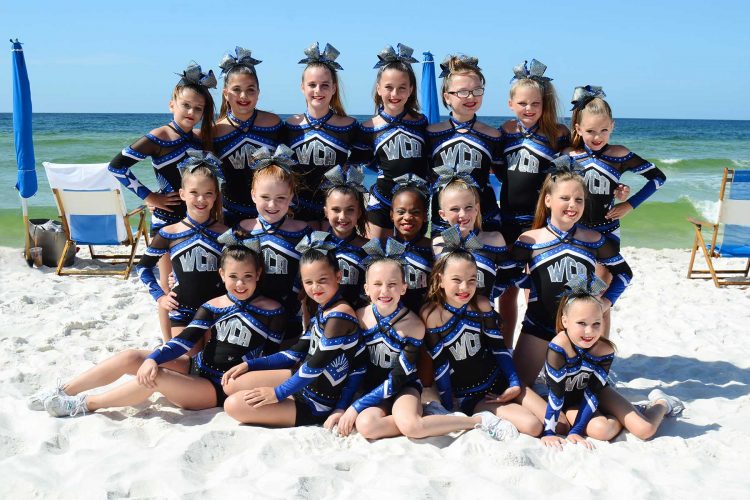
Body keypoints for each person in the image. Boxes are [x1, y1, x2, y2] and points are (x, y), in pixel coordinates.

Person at [34, 245, 285, 417]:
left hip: (218, 387)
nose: (240, 283)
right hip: (196, 366)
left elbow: (270, 358)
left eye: (247, 276)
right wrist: (153, 358)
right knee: (132, 357)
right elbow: (184, 342)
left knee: (158, 377)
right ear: (222, 274)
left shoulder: (273, 311)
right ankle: (63, 390)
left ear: (258, 275)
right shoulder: (213, 305)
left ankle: (85, 404)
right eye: (233, 276)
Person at [333, 255, 517, 440]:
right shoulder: (359, 317)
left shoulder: (414, 325)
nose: (385, 291)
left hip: (404, 387)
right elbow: (357, 367)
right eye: (377, 284)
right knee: (367, 426)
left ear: (404, 287)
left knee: (413, 428)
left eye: (392, 284)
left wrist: (355, 407)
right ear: (366, 288)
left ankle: (476, 421)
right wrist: (343, 407)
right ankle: (425, 420)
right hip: (374, 390)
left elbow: (398, 378)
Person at [108, 63, 216, 341]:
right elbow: (118, 166)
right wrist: (149, 196)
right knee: (169, 288)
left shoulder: (198, 140)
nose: (191, 113)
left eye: (198, 109)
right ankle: (168, 343)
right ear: (172, 104)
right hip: (168, 222)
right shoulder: (160, 136)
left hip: (196, 220)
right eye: (186, 105)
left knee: (191, 283)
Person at [510, 158, 633, 387]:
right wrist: (532, 285)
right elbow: (509, 275)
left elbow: (624, 274)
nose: (572, 205)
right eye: (564, 198)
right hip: (538, 326)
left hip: (579, 332)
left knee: (580, 398)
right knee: (517, 388)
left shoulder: (594, 239)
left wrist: (605, 302)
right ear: (548, 200)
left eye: (579, 199)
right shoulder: (529, 240)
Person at [221, 239, 364, 428]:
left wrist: (277, 393)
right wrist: (250, 365)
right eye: (308, 282)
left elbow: (316, 364)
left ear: (338, 276)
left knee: (233, 405)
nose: (315, 287)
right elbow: (294, 353)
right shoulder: (324, 309)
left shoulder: (340, 315)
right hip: (302, 382)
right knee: (232, 383)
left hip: (317, 403)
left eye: (322, 280)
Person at [567, 86, 666, 336]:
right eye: (590, 131)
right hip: (576, 234)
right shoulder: (569, 157)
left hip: (606, 235)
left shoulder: (619, 155)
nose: (597, 136)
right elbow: (552, 191)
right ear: (578, 129)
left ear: (612, 126)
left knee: (599, 296)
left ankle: (600, 353)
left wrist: (629, 204)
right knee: (572, 296)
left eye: (603, 130)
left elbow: (658, 178)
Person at [541, 275, 684, 448]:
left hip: (598, 392)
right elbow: (556, 395)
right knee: (602, 430)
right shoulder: (558, 348)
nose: (589, 331)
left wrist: (576, 430)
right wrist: (550, 432)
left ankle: (662, 403)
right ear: (565, 321)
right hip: (569, 400)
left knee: (645, 430)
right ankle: (633, 411)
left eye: (596, 323)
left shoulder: (604, 349)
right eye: (581, 323)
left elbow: (593, 391)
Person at [421, 250, 543, 437]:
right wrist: (447, 405)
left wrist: (514, 384)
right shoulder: (432, 316)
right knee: (533, 426)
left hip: (499, 380)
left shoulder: (482, 304)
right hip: (472, 396)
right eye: (456, 280)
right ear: (440, 279)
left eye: (471, 280)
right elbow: (441, 365)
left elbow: (499, 348)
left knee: (557, 424)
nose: (465, 287)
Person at [498, 59, 570, 344]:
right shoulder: (505, 131)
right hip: (507, 219)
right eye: (523, 103)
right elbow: (494, 168)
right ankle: (505, 346)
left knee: (537, 289)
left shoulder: (556, 134)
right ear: (511, 104)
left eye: (535, 104)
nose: (529, 109)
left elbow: (572, 173)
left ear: (544, 104)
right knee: (508, 289)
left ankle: (537, 345)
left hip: (540, 221)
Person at [223, 145, 312, 344]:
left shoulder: (303, 232)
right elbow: (221, 268)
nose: (272, 205)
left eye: (281, 198)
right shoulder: (241, 231)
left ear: (291, 197)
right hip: (248, 321)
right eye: (265, 197)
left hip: (290, 320)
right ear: (253, 194)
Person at [136, 152, 228, 343]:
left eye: (208, 193)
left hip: (218, 312)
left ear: (216, 196)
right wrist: (160, 297)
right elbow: (142, 267)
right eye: (194, 192)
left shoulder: (226, 234)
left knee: (209, 368)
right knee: (185, 363)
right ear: (182, 194)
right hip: (182, 313)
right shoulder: (168, 233)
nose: (201, 199)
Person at [357, 43, 430, 239]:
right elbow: (359, 162)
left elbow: (428, 160)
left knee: (412, 257)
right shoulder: (368, 127)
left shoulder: (421, 123)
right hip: (382, 199)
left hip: (415, 202)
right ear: (379, 88)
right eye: (389, 87)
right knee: (376, 257)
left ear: (411, 90)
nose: (395, 94)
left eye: (402, 88)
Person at [427, 55, 502, 236]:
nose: (470, 97)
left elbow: (502, 176)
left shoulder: (493, 135)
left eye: (477, 90)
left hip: (484, 216)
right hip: (446, 219)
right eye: (462, 92)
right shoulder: (432, 133)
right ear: (447, 97)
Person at [285, 42, 358, 225]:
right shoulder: (289, 126)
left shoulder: (349, 126)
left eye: (325, 85)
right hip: (295, 212)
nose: (318, 91)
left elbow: (361, 164)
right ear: (302, 87)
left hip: (334, 216)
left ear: (334, 88)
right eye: (312, 85)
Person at [214, 47, 283, 227]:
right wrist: (156, 196)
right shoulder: (215, 130)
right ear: (225, 93)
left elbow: (290, 166)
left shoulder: (273, 123)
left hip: (271, 213)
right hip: (230, 213)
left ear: (258, 93)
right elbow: (202, 174)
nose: (243, 96)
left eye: (250, 90)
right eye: (236, 89)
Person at [431, 169, 516, 302]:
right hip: (447, 319)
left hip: (483, 317)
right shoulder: (437, 244)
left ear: (477, 209)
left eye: (468, 207)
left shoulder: (494, 239)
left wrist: (491, 295)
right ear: (442, 214)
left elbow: (508, 276)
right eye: (454, 209)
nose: (463, 214)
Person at [320, 165, 368, 307]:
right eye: (336, 210)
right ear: (326, 212)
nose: (343, 217)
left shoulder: (369, 248)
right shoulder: (316, 244)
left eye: (350, 210)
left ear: (359, 212)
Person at [387, 175, 433, 314]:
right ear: (391, 215)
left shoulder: (433, 248)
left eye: (415, 212)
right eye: (400, 212)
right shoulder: (383, 247)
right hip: (391, 317)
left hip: (426, 316)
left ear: (425, 216)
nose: (407, 217)